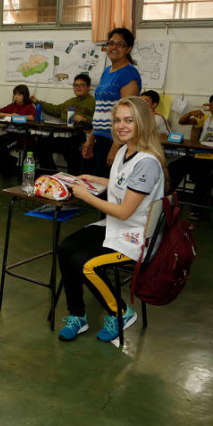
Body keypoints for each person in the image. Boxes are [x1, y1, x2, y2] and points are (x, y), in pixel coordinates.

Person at [57, 97, 166, 343]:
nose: (121, 126)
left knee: (85, 263)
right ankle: (77, 315)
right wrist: (94, 179)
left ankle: (120, 313)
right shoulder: (125, 150)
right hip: (118, 227)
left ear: (143, 123)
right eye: (117, 120)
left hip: (136, 237)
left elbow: (124, 211)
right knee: (66, 248)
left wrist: (86, 195)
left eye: (129, 120)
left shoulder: (147, 162)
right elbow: (122, 184)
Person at [168, 92, 213, 219]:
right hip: (198, 156)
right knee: (175, 166)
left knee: (203, 175)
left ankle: (196, 210)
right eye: (212, 106)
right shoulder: (205, 119)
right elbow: (181, 121)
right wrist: (190, 113)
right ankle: (168, 199)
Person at [82, 28, 141, 177]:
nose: (114, 47)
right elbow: (101, 111)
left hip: (116, 140)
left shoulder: (129, 73)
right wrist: (91, 139)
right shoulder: (107, 71)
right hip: (100, 139)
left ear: (128, 49)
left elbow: (128, 115)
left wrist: (116, 147)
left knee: (109, 186)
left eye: (120, 44)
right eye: (111, 43)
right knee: (96, 183)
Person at [31, 75, 94, 174]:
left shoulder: (93, 102)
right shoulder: (71, 101)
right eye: (76, 85)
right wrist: (37, 102)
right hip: (66, 136)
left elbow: (100, 121)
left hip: (80, 137)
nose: (78, 88)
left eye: (82, 85)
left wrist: (85, 119)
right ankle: (53, 175)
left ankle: (72, 177)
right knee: (41, 144)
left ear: (88, 87)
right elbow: (55, 109)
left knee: (73, 153)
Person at [0, 84, 36, 175]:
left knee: (1, 150)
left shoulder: (29, 106)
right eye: (15, 94)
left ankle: (7, 169)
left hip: (21, 138)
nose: (16, 97)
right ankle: (11, 160)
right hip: (10, 135)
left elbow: (33, 117)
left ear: (25, 96)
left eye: (19, 95)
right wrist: (10, 115)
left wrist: (19, 116)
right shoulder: (12, 106)